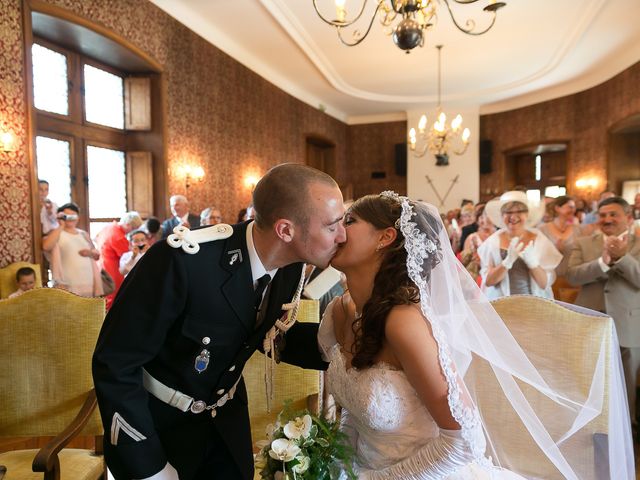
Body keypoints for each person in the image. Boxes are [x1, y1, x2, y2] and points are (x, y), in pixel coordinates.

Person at [318, 191, 633, 479]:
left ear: (385, 237)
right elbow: (356, 411)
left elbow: (464, 442)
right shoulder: (339, 310)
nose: (336, 231)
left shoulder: (402, 322)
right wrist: (335, 464)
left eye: (349, 221)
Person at [92, 164, 346, 480]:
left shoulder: (290, 265)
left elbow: (260, 335)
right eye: (333, 225)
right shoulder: (182, 262)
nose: (343, 235)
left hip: (225, 425)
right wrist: (148, 466)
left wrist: (343, 337)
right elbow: (115, 364)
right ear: (285, 230)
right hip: (158, 427)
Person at [567, 196, 640, 430]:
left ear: (628, 218)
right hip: (590, 321)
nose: (607, 219)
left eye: (613, 214)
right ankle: (594, 430)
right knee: (591, 379)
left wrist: (621, 258)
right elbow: (572, 276)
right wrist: (602, 263)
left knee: (627, 381)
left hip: (629, 323)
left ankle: (625, 432)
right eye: (603, 215)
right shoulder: (584, 242)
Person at [478, 191, 561, 300]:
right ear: (502, 215)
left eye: (519, 211)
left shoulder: (539, 239)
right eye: (508, 212)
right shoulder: (493, 242)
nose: (513, 216)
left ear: (527, 214)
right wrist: (507, 262)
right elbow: (488, 282)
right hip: (500, 304)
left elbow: (543, 284)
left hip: (533, 304)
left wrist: (533, 263)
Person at [42, 202, 103, 297]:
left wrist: (90, 253)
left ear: (78, 217)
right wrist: (61, 226)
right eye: (67, 216)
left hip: (88, 280)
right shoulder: (57, 233)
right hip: (68, 282)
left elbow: (96, 256)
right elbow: (46, 246)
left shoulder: (83, 234)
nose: (70, 218)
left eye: (73, 216)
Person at [96, 211, 143, 309]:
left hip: (101, 263)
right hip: (112, 267)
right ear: (128, 224)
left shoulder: (109, 227)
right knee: (113, 294)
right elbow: (127, 254)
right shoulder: (118, 236)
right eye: (133, 228)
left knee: (106, 293)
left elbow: (96, 237)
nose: (132, 231)